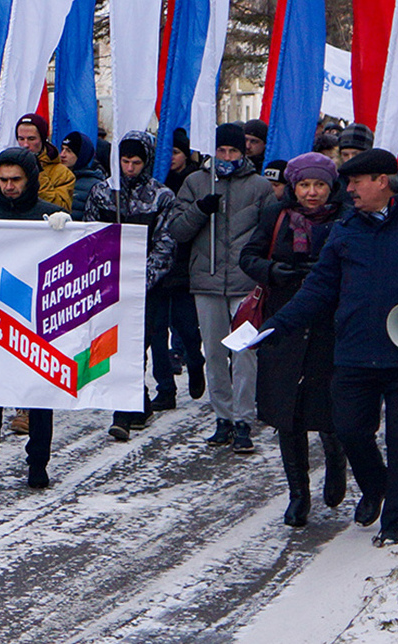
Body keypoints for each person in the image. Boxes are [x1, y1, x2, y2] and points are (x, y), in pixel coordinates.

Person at [263, 147, 398, 546]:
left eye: (357, 182)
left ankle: (394, 522)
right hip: (355, 350)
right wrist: (278, 325)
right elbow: (319, 288)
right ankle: (376, 486)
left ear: (382, 182)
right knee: (350, 429)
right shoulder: (345, 229)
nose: (349, 189)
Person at [241, 153, 348, 527]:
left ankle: (336, 465)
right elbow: (249, 256)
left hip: (329, 326)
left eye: (319, 185)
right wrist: (273, 270)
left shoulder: (345, 219)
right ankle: (298, 493)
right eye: (304, 185)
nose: (312, 193)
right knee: (289, 413)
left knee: (330, 408)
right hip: (285, 323)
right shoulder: (278, 216)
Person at [0, 147, 64, 494]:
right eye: (2, 180)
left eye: (15, 180)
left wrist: (64, 231)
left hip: (35, 318)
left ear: (30, 179)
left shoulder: (50, 216)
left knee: (38, 394)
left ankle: (37, 463)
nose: (9, 186)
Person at [166, 122, 271, 452]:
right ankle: (222, 417)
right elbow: (177, 230)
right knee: (213, 353)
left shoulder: (259, 186)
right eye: (222, 151)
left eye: (234, 151)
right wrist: (199, 210)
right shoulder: (196, 182)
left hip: (244, 281)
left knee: (244, 354)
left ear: (244, 152)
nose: (227, 157)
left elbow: (268, 232)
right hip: (207, 279)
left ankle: (243, 419)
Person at [85, 130, 179, 440]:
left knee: (138, 345)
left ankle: (124, 412)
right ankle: (133, 403)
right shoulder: (102, 193)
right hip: (109, 285)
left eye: (136, 162)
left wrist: (141, 280)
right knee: (113, 346)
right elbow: (90, 238)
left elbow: (166, 245)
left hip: (146, 287)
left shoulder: (161, 197)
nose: (129, 168)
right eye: (125, 161)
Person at [14, 113, 75, 210]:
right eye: (21, 139)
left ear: (42, 139)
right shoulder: (10, 167)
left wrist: (38, 174)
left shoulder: (62, 174)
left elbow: (62, 208)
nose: (25, 144)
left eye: (31, 139)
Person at [59, 131, 106, 216]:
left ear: (81, 155)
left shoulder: (95, 186)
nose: (62, 155)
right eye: (62, 149)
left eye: (69, 151)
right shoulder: (55, 178)